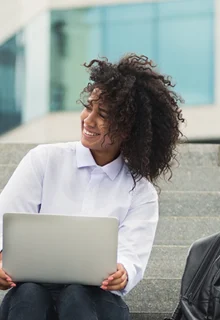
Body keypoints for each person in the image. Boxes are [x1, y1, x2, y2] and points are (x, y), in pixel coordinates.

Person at [0, 54, 184, 320]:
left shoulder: (141, 192)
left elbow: (131, 259)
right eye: (89, 107)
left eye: (103, 115)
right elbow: (4, 220)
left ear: (128, 129)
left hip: (96, 301)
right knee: (29, 295)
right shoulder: (45, 160)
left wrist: (123, 273)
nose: (88, 119)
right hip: (33, 293)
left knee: (77, 295)